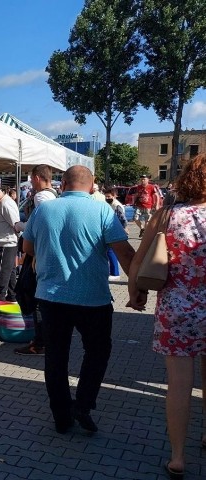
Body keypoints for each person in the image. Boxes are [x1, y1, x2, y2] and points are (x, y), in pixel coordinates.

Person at [22, 166, 135, 434]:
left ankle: (61, 416)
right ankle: (83, 404)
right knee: (98, 351)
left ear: (63, 185)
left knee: (56, 357)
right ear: (92, 184)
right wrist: (138, 288)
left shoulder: (44, 210)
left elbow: (27, 247)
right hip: (92, 298)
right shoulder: (102, 211)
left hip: (51, 297)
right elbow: (125, 253)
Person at [127, 154, 206, 479]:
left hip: (176, 310)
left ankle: (177, 457)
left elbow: (138, 262)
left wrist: (135, 295)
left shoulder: (166, 215)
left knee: (179, 385)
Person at [14, 164, 59, 356]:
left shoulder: (42, 197)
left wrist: (21, 225)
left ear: (38, 178)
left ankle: (39, 342)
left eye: (32, 179)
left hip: (38, 254)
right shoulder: (55, 194)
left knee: (33, 295)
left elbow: (41, 223)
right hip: (45, 252)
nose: (31, 183)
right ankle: (43, 339)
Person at [133, 174, 160, 238]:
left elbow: (157, 196)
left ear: (148, 180)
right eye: (141, 179)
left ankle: (145, 234)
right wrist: (134, 202)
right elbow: (136, 195)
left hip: (148, 206)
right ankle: (142, 229)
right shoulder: (139, 187)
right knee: (135, 218)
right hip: (139, 205)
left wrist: (157, 204)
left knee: (147, 221)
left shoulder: (151, 187)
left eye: (144, 179)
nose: (142, 180)